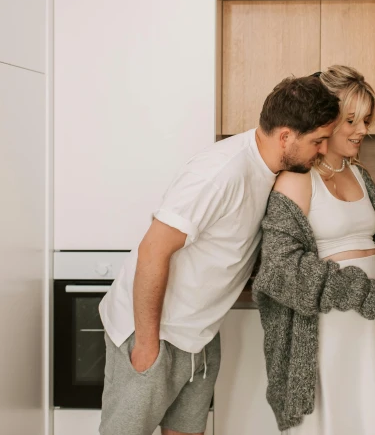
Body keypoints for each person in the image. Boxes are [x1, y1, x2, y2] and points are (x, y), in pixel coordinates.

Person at [97, 75, 341, 435]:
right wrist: (147, 345)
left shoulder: (272, 171)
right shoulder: (221, 172)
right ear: (286, 136)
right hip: (154, 332)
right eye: (318, 141)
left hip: (200, 335)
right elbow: (153, 250)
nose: (322, 150)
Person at [253, 65, 375, 435]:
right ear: (327, 121)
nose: (363, 130)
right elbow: (281, 271)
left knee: (365, 419)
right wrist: (365, 294)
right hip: (325, 331)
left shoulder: (361, 175)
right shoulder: (297, 179)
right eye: (351, 120)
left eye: (366, 120)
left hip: (370, 327)